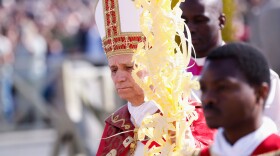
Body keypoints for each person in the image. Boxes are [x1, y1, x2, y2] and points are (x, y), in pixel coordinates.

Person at [95, 0, 215, 155]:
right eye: (114, 69)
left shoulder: (188, 116)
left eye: (129, 67)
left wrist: (187, 145)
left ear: (153, 65)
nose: (119, 77)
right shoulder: (115, 125)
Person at [180, 0, 280, 130]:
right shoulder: (169, 77)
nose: (191, 28)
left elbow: (269, 132)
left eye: (200, 20)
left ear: (221, 21)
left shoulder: (252, 74)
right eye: (183, 21)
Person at [199, 42, 280, 155]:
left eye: (222, 87)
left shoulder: (274, 149)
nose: (208, 98)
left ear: (260, 92)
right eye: (203, 88)